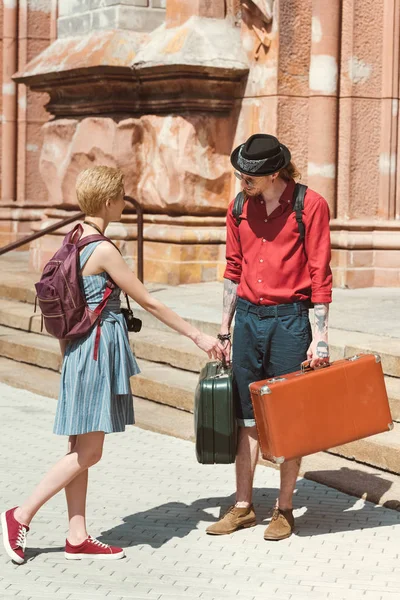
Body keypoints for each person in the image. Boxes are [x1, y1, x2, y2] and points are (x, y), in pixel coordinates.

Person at [1, 166, 222, 564]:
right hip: (96, 352)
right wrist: (198, 336)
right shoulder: (102, 249)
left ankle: (77, 536)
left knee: (78, 447)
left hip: (78, 351)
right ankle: (20, 515)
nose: (124, 202)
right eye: (121, 196)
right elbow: (150, 301)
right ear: (108, 200)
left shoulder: (74, 237)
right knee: (89, 452)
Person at [207, 134, 332, 540]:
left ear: (274, 172)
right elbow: (232, 268)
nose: (243, 180)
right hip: (247, 320)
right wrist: (224, 329)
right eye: (241, 173)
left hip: (291, 321)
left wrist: (320, 338)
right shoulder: (239, 206)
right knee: (246, 415)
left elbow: (320, 275)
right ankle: (243, 506)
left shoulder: (309, 205)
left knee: (287, 419)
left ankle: (285, 509)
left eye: (250, 175)